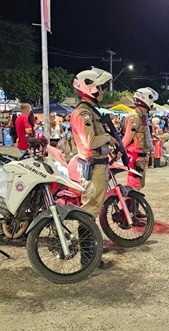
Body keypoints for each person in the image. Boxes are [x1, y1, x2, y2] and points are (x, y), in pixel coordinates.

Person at [70, 67, 117, 218]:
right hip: (93, 166)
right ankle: (86, 242)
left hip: (98, 164)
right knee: (90, 207)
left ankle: (88, 241)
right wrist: (108, 138)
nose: (102, 92)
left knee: (94, 205)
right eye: (100, 88)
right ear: (91, 89)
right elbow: (90, 142)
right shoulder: (83, 113)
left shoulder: (90, 111)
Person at [122, 87, 158, 190]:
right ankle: (131, 206)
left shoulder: (141, 116)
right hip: (135, 158)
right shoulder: (136, 117)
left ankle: (134, 205)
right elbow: (127, 138)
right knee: (134, 186)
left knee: (138, 185)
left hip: (140, 157)